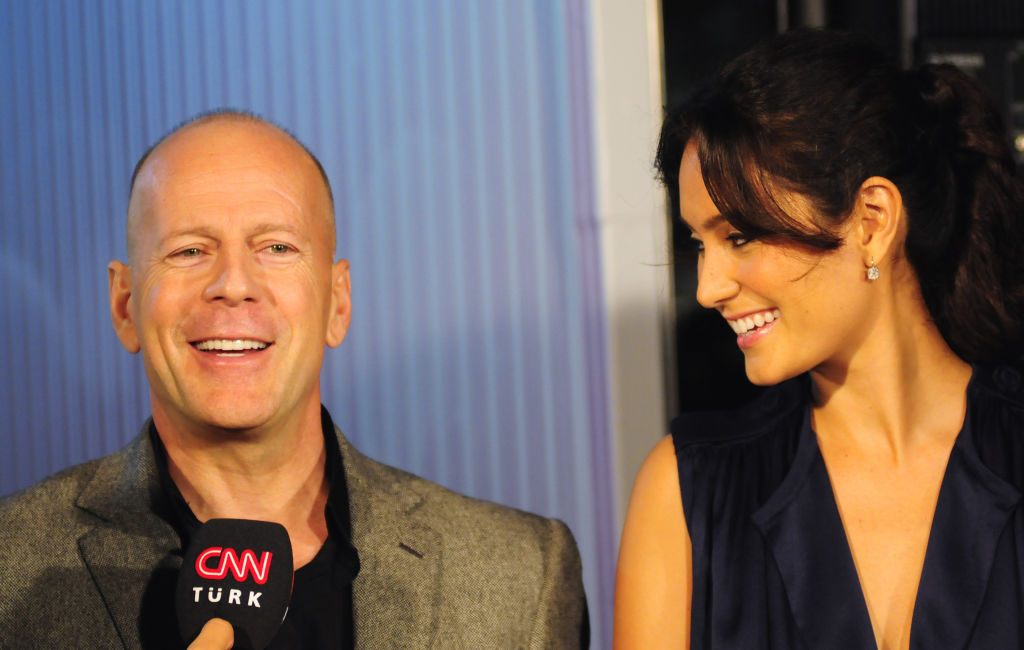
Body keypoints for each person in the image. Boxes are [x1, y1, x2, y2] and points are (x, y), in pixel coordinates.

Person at [0, 112, 588, 648]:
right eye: (188, 251)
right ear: (124, 305)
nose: (233, 284)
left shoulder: (522, 574)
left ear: (338, 301)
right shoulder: (13, 564)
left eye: (276, 247)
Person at [614, 28, 1024, 649]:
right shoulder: (685, 493)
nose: (708, 288)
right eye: (700, 244)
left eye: (740, 237)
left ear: (872, 222)